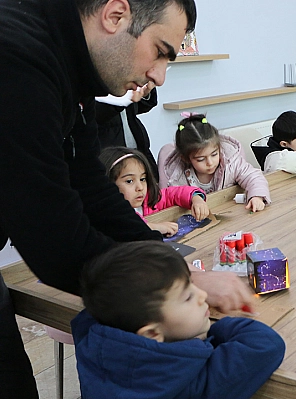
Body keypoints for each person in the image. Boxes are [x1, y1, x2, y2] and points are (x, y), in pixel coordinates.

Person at [0, 2, 254, 397]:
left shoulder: (67, 64)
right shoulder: (17, 58)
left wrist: (169, 267)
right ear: (115, 14)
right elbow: (53, 236)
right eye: (160, 51)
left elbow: (90, 184)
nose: (159, 75)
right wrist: (175, 285)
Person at [72, 241, 286, 399]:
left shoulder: (95, 342)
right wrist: (211, 329)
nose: (202, 295)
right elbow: (265, 344)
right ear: (152, 334)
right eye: (187, 296)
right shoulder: (183, 382)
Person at [158, 113, 272, 212]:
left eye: (214, 154)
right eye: (201, 159)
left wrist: (257, 196)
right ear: (186, 158)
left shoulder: (230, 162)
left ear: (219, 148)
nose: (210, 162)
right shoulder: (176, 176)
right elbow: (168, 202)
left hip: (231, 215)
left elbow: (253, 176)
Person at [100, 147, 210, 237]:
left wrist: (196, 199)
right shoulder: (110, 214)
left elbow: (173, 194)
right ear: (108, 184)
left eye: (143, 179)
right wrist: (154, 227)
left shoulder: (149, 200)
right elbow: (126, 225)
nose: (140, 187)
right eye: (129, 181)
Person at [96, 82, 159, 178]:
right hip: (109, 152)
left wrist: (145, 93)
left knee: (149, 185)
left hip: (137, 146)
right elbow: (95, 114)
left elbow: (140, 107)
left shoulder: (126, 77)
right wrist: (120, 101)